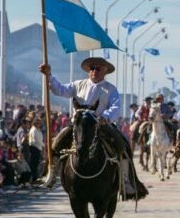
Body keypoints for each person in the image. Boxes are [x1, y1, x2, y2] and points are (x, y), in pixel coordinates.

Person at [39, 57, 147, 199]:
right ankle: (51, 174)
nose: (94, 71)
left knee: (123, 146)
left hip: (100, 124)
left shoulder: (110, 89)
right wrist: (49, 75)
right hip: (78, 125)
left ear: (105, 71)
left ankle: (125, 181)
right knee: (56, 144)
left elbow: (116, 107)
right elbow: (60, 90)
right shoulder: (78, 84)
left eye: (98, 68)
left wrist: (105, 117)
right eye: (92, 68)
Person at [27, 117, 44, 186]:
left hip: (38, 148)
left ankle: (35, 178)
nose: (39, 124)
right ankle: (33, 179)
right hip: (34, 148)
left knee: (36, 164)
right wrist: (42, 144)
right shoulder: (33, 130)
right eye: (38, 123)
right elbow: (35, 140)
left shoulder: (37, 130)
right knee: (33, 164)